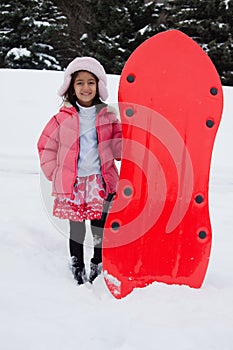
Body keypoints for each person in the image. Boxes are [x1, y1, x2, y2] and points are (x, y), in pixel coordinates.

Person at [37, 57, 122, 285]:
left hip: (99, 182)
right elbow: (45, 146)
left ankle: (98, 261)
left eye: (91, 82)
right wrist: (55, 174)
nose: (86, 88)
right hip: (73, 184)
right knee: (76, 228)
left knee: (99, 225)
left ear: (99, 86)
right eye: (80, 83)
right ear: (71, 88)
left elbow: (118, 150)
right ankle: (77, 263)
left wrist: (126, 135)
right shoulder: (61, 118)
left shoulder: (107, 116)